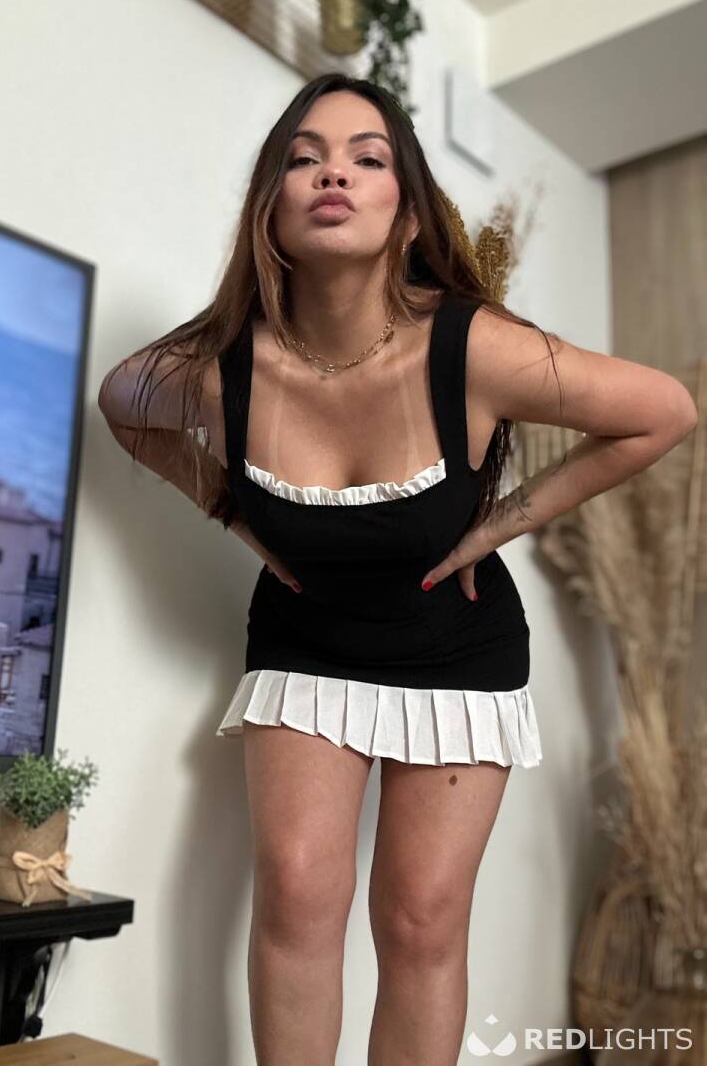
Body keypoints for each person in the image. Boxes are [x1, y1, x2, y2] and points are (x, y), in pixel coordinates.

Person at [98, 73, 698, 1066]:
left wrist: (497, 527)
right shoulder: (219, 369)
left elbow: (661, 412)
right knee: (296, 894)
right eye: (304, 158)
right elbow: (124, 404)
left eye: (366, 158)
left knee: (419, 920)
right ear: (271, 209)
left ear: (407, 211)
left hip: (457, 648)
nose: (332, 172)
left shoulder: (473, 347)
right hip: (306, 643)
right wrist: (233, 513)